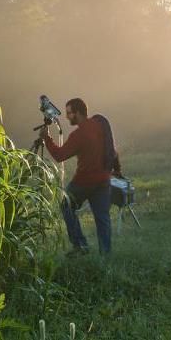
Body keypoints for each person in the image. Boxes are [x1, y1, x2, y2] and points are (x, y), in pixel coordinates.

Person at [40, 97, 119, 257]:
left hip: (84, 182)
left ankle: (80, 246)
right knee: (103, 218)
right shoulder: (99, 124)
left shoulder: (79, 135)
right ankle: (106, 255)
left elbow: (59, 155)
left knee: (66, 205)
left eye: (69, 113)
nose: (67, 116)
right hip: (104, 180)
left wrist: (46, 138)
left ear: (78, 113)